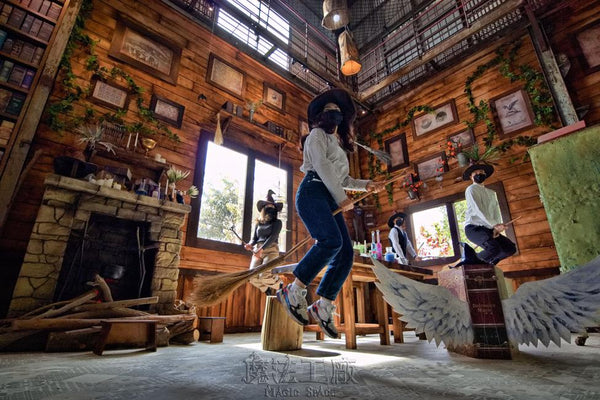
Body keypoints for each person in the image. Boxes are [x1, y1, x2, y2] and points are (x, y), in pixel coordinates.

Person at [277, 88, 384, 338]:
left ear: (342, 117)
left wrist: (366, 184)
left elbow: (343, 178)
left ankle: (323, 303)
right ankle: (293, 290)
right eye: (327, 110)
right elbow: (322, 168)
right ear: (319, 116)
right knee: (330, 241)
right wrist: (342, 198)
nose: (332, 113)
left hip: (329, 196)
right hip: (313, 192)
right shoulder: (315, 135)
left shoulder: (338, 145)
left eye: (336, 110)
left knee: (345, 253)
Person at [463, 163, 516, 265]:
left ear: (485, 175)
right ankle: (470, 263)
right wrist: (494, 224)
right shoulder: (471, 189)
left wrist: (497, 226)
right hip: (474, 228)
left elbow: (495, 211)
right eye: (476, 173)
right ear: (471, 177)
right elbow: (478, 209)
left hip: (489, 229)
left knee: (510, 248)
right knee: (493, 247)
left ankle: (488, 264)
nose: (479, 174)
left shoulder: (492, 193)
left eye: (481, 172)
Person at [245, 190, 284, 294]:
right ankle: (267, 290)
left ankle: (279, 285)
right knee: (251, 276)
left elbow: (273, 237)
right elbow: (254, 238)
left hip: (271, 249)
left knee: (264, 275)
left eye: (272, 206)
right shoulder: (258, 223)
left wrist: (261, 249)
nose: (270, 208)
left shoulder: (278, 223)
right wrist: (250, 244)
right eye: (268, 206)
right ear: (264, 208)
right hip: (257, 249)